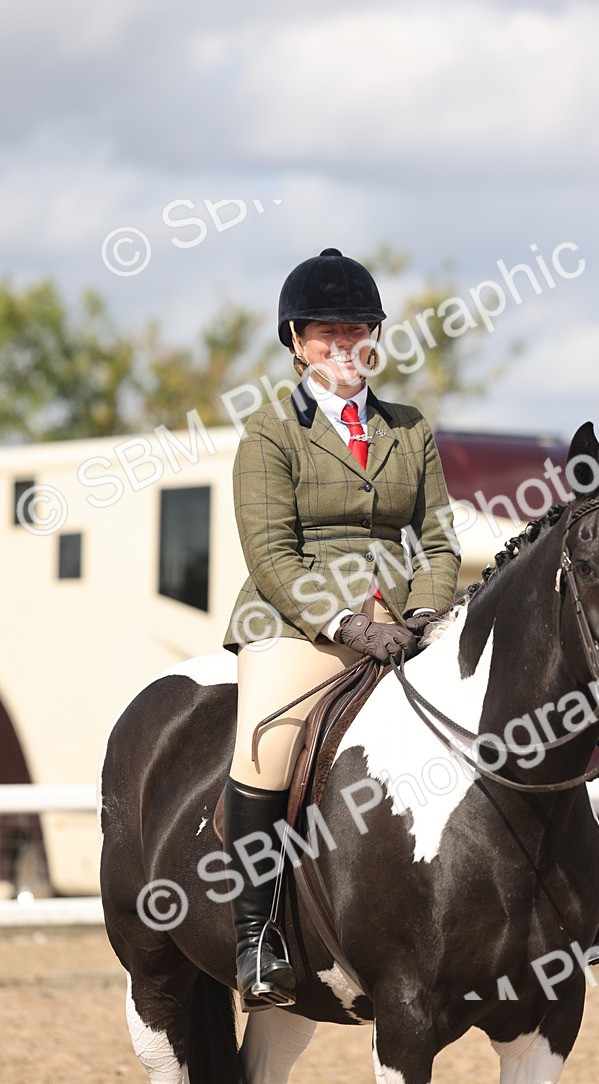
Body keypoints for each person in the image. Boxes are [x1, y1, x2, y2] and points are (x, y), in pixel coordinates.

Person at [222, 248, 461, 1011]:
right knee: (266, 746)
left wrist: (424, 611)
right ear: (297, 341)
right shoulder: (269, 432)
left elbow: (439, 536)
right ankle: (256, 935)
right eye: (328, 335)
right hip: (296, 618)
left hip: (403, 619)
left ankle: (577, 902)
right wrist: (347, 624)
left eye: (359, 332)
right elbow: (270, 552)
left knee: (509, 698)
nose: (345, 348)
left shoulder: (409, 427)